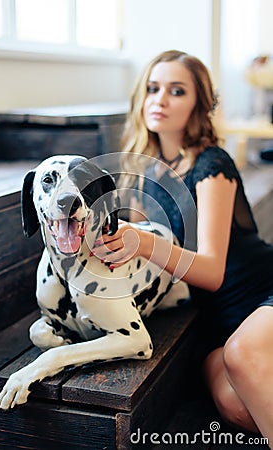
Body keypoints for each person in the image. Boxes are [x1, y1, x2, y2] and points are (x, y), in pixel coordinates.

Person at [92, 50, 273, 445]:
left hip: (262, 292)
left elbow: (211, 271)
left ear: (198, 104)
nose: (160, 99)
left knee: (242, 356)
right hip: (221, 320)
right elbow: (135, 251)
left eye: (177, 91)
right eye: (153, 89)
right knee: (233, 403)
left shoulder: (211, 164)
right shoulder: (146, 175)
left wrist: (143, 241)